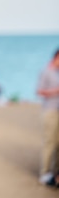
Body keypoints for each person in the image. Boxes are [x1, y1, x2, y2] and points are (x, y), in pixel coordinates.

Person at [36, 49, 59, 186]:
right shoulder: (46, 71)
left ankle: (56, 173)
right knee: (49, 143)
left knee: (58, 143)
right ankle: (45, 172)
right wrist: (56, 91)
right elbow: (39, 91)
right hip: (49, 111)